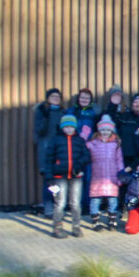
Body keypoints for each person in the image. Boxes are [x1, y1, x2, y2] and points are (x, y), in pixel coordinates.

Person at [43, 114, 89, 238]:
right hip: (59, 177)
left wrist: (78, 166)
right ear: (62, 127)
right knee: (60, 203)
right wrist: (49, 176)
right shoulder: (55, 140)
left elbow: (86, 156)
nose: (69, 129)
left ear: (75, 127)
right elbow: (48, 159)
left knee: (75, 203)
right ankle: (57, 228)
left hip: (76, 176)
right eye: (66, 127)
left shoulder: (79, 140)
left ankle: (76, 227)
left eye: (71, 127)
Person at [86, 115, 125, 232]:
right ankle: (95, 221)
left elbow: (119, 160)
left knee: (112, 199)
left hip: (112, 177)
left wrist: (121, 175)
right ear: (99, 130)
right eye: (103, 130)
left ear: (112, 130)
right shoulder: (93, 143)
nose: (105, 132)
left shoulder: (115, 144)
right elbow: (84, 150)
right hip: (97, 176)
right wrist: (83, 137)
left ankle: (112, 221)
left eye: (108, 130)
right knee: (95, 199)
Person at [35, 87, 65, 218]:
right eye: (53, 96)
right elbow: (39, 131)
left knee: (59, 179)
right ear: (47, 98)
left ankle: (58, 208)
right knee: (48, 179)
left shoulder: (63, 112)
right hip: (46, 149)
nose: (55, 99)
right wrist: (46, 115)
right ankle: (48, 208)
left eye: (58, 97)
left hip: (59, 149)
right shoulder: (41, 111)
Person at [105, 92, 139, 167]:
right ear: (132, 105)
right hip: (125, 157)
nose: (138, 104)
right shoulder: (124, 117)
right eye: (135, 102)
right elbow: (109, 119)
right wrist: (113, 105)